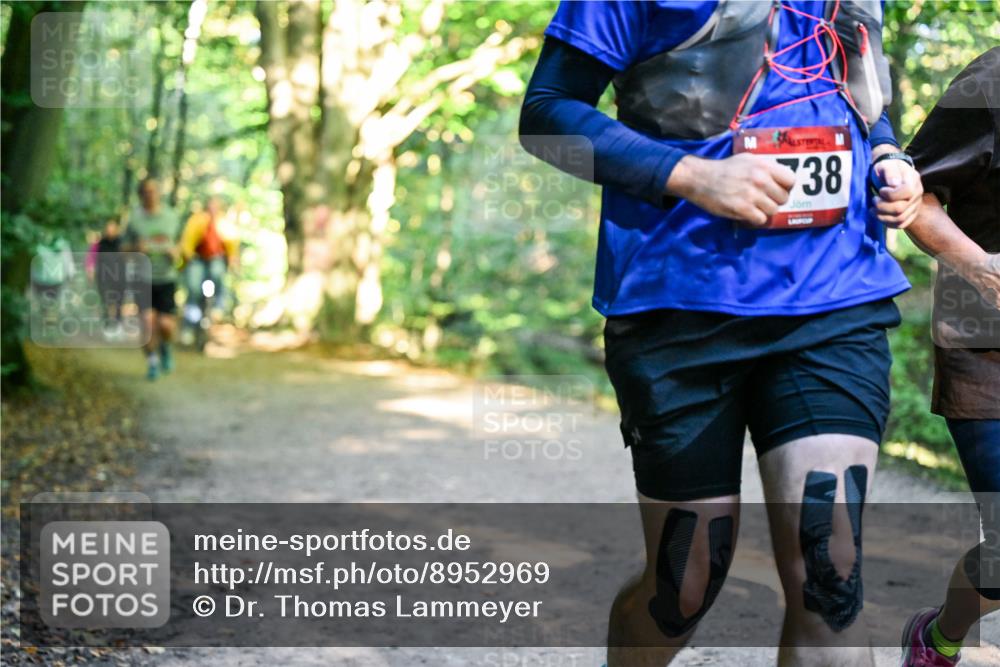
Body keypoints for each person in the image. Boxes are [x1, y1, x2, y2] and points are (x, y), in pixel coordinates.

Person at [520, 2, 923, 666]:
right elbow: (546, 114)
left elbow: (866, 98)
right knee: (683, 585)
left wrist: (888, 155)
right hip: (677, 309)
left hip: (833, 301)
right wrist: (694, 176)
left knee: (832, 574)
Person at [897, 47, 1000, 667]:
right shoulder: (989, 83)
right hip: (986, 350)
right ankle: (938, 637)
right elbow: (916, 196)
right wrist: (983, 271)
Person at [123, 177, 182, 380]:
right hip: (142, 278)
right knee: (147, 323)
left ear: (159, 193)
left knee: (166, 325)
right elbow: (122, 249)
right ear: (141, 195)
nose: (150, 195)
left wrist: (176, 253)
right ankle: (152, 363)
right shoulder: (134, 219)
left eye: (153, 190)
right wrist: (135, 249)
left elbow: (183, 245)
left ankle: (165, 347)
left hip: (166, 278)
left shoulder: (172, 217)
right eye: (145, 191)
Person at [179, 195, 239, 333]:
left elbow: (231, 244)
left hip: (216, 258)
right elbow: (187, 241)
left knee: (218, 274)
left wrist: (232, 259)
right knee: (194, 287)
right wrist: (188, 257)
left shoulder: (224, 222)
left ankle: (218, 307)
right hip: (197, 258)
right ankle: (189, 325)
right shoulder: (197, 220)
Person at [94, 217, 125, 337]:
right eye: (108, 227)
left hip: (120, 277)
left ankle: (118, 326)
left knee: (118, 302)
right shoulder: (100, 243)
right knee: (106, 302)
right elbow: (92, 257)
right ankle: (107, 327)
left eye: (112, 227)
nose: (109, 229)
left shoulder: (122, 243)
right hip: (103, 277)